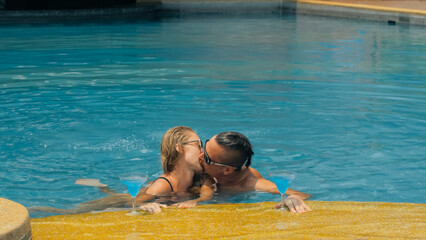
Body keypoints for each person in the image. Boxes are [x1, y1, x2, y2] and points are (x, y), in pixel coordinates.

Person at [29, 126, 215, 214]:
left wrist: (196, 201)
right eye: (197, 145)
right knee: (73, 212)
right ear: (179, 148)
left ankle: (103, 186)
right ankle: (34, 208)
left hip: (152, 191)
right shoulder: (162, 185)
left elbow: (207, 194)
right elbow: (132, 203)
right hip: (142, 194)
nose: (202, 151)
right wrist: (146, 206)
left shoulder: (202, 177)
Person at [199, 131, 311, 213]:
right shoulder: (209, 166)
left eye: (207, 158)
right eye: (204, 147)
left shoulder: (251, 183)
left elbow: (302, 195)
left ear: (227, 170)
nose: (199, 156)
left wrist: (293, 198)